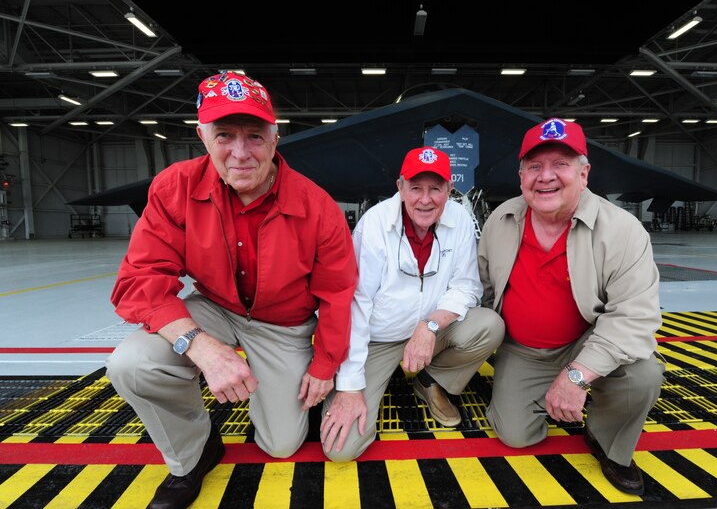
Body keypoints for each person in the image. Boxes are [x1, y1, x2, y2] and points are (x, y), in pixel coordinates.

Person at [106, 71, 358, 509]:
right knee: (132, 364)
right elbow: (139, 281)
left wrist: (325, 365)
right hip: (216, 308)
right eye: (225, 135)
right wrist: (199, 346)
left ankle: (298, 398)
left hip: (284, 322)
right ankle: (194, 452)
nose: (240, 153)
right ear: (203, 136)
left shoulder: (317, 206)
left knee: (280, 445)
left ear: (275, 140)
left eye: (254, 136)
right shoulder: (174, 188)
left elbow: (338, 294)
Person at [477, 118, 665, 496]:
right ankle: (545, 391)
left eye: (560, 164)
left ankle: (607, 440)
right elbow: (481, 286)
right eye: (535, 166)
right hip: (524, 350)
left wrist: (577, 376)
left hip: (586, 342)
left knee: (643, 374)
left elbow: (634, 316)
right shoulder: (502, 219)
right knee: (515, 436)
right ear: (521, 176)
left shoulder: (622, 230)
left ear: (584, 173)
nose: (545, 177)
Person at [320, 146, 505, 461]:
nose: (425, 198)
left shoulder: (459, 218)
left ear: (448, 190)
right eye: (416, 188)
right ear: (400, 187)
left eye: (436, 188)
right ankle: (377, 379)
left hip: (430, 331)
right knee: (342, 448)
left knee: (489, 325)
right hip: (377, 339)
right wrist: (350, 386)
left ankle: (430, 380)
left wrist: (429, 325)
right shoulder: (375, 225)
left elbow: (467, 285)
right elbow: (356, 305)